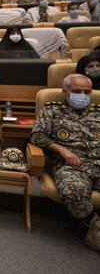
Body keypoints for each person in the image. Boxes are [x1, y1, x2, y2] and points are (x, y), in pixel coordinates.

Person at [30, 74, 99, 248]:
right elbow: (37, 136)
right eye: (77, 91)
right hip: (71, 165)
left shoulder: (98, 111)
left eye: (87, 91)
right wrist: (62, 150)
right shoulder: (52, 110)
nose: (82, 95)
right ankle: (94, 224)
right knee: (73, 190)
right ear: (65, 92)